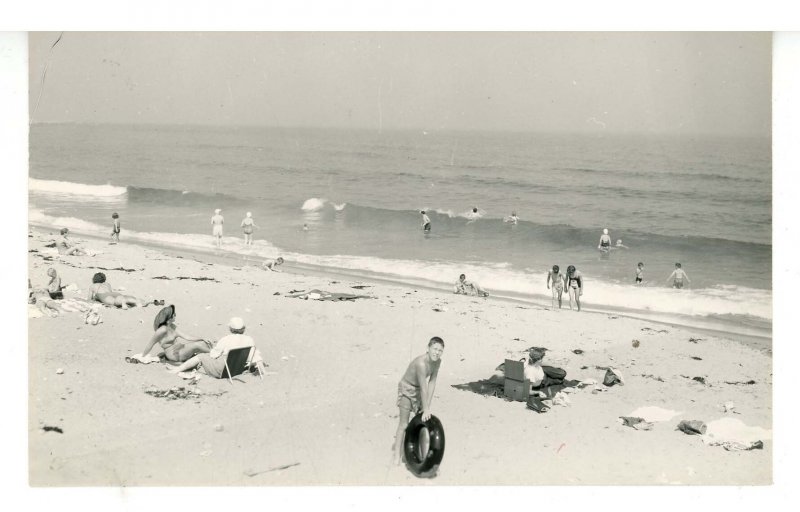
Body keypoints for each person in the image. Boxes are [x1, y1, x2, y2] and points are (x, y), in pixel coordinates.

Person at [392, 336, 444, 465]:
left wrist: (427, 406)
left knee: (421, 421)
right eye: (435, 349)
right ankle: (396, 456)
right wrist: (425, 408)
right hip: (407, 388)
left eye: (440, 350)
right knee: (404, 424)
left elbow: (432, 382)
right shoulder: (421, 363)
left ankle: (420, 455)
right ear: (428, 348)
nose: (437, 353)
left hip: (420, 391)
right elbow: (423, 385)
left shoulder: (437, 362)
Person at [167, 316, 264, 377]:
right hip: (238, 369)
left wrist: (211, 350)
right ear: (243, 328)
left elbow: (214, 355)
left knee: (200, 357)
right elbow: (255, 355)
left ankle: (178, 369)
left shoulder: (226, 339)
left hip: (224, 370)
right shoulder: (249, 339)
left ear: (230, 328)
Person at [138, 305, 212, 362]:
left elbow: (187, 337)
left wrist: (202, 338)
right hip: (173, 355)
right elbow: (150, 344)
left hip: (181, 348)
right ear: (169, 318)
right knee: (196, 345)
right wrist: (143, 356)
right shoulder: (162, 330)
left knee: (203, 343)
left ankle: (214, 354)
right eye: (174, 314)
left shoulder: (172, 326)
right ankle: (216, 355)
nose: (175, 315)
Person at [87, 272, 156, 309]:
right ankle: (136, 301)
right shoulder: (107, 284)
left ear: (94, 279)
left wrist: (95, 299)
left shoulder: (93, 286)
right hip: (114, 294)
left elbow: (89, 299)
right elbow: (110, 293)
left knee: (114, 301)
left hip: (105, 296)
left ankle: (123, 303)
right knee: (123, 297)